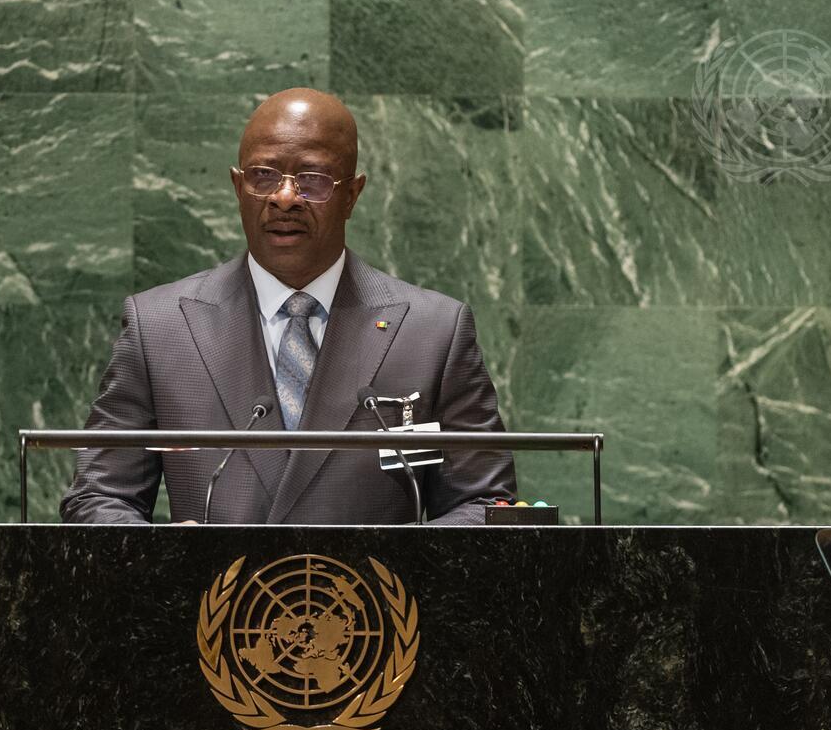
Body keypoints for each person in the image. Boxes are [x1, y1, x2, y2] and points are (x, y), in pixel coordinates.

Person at [61, 88, 517, 524]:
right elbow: (98, 496)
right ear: (238, 187)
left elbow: (486, 503)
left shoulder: (433, 332)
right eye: (263, 176)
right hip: (214, 582)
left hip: (371, 583)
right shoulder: (161, 327)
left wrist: (400, 561)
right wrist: (169, 556)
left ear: (352, 195)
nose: (284, 198)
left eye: (312, 180)